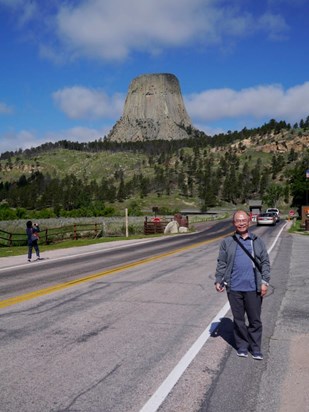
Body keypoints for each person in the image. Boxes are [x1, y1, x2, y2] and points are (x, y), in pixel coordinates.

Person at [214, 210, 270, 360]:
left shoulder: (257, 241)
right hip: (234, 288)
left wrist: (264, 282)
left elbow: (265, 263)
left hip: (253, 287)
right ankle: (242, 346)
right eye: (238, 221)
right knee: (238, 320)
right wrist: (218, 279)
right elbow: (222, 263)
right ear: (234, 224)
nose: (241, 223)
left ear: (249, 222)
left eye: (243, 220)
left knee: (255, 320)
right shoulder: (227, 242)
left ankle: (256, 348)